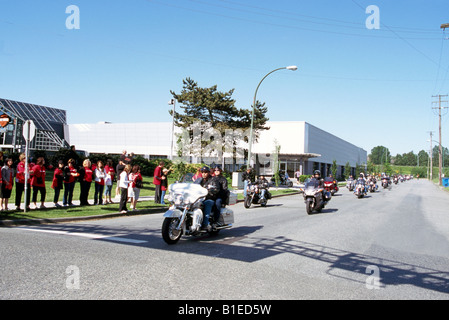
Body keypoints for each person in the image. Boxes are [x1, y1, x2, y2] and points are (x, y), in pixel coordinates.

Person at [195, 166, 220, 231]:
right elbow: (193, 186)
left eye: (205, 172)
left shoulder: (213, 180)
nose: (204, 174)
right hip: (198, 198)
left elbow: (216, 189)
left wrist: (211, 190)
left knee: (207, 203)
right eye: (202, 172)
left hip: (209, 198)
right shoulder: (198, 180)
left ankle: (205, 224)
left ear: (208, 173)